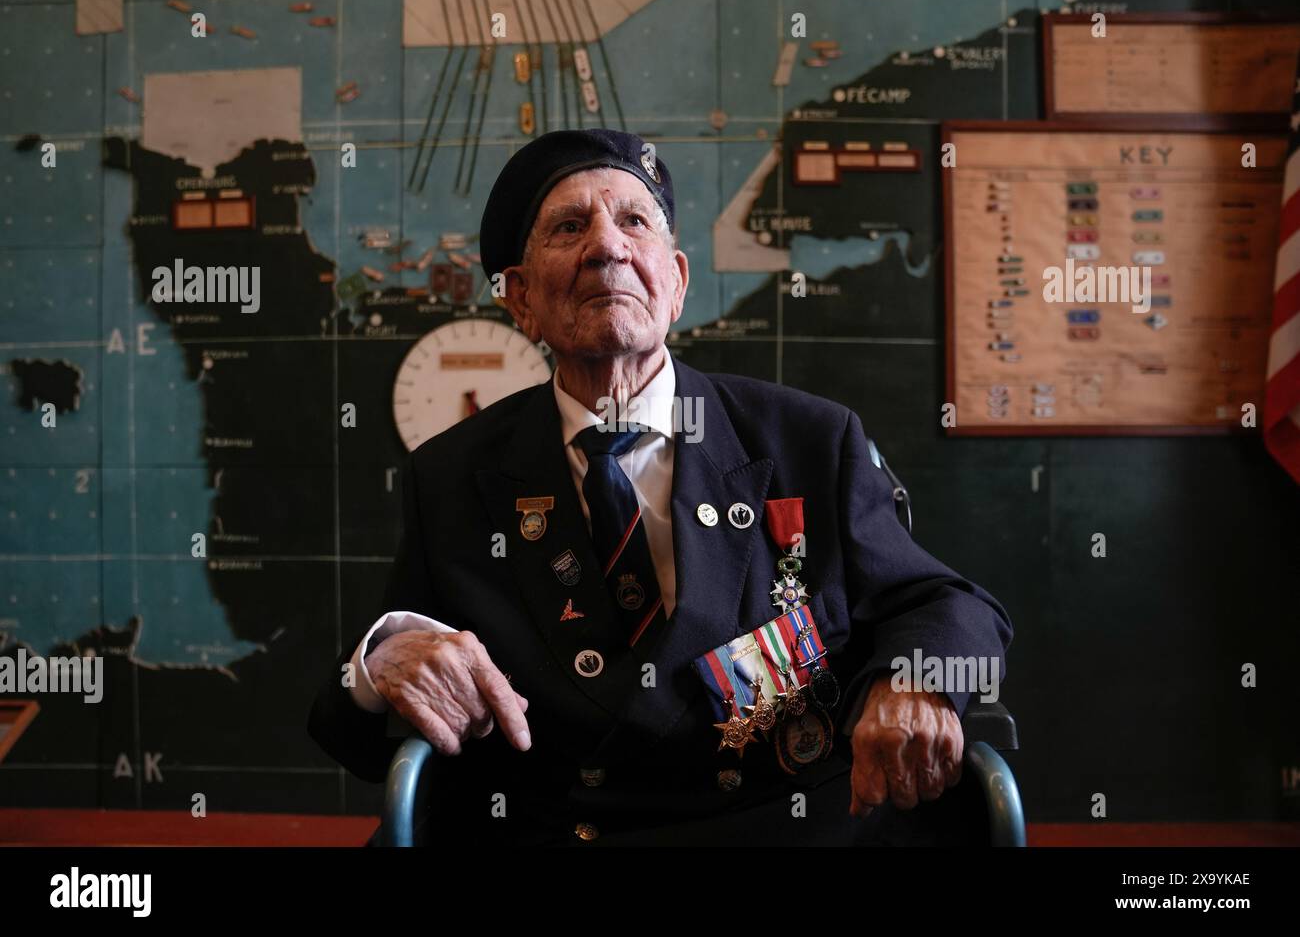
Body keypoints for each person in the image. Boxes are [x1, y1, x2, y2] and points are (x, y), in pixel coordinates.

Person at [308, 128, 1013, 846]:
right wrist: (382, 657)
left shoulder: (808, 439)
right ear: (520, 299)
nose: (607, 247)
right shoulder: (453, 474)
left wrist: (913, 680)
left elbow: (946, 603)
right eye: (570, 227)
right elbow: (349, 730)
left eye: (634, 221)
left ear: (675, 282)